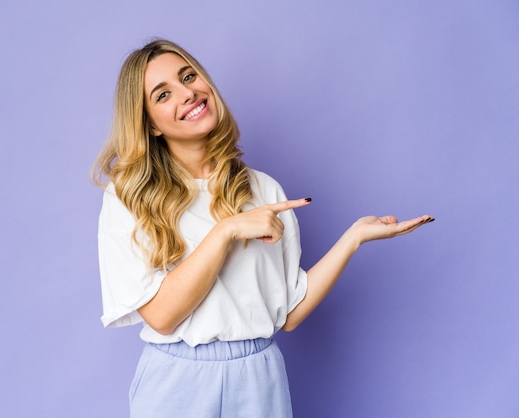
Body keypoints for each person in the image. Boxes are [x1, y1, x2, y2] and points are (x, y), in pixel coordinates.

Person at [90, 39, 434, 418]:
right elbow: (162, 316)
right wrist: (226, 231)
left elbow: (289, 314)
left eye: (189, 76)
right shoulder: (129, 197)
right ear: (149, 124)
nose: (188, 93)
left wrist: (353, 239)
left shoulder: (264, 190)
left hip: (258, 377)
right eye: (163, 94)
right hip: (177, 380)